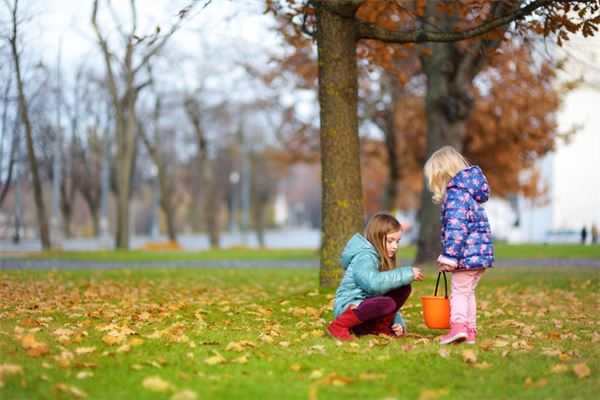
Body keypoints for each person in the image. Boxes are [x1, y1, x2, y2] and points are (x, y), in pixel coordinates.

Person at [424, 146, 494, 345]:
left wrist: (449, 257)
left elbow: (456, 230)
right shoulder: (468, 193)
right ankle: (469, 331)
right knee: (467, 292)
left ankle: (457, 327)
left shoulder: (455, 195)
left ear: (441, 175)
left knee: (459, 292)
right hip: (480, 255)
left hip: (467, 254)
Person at [328, 212, 423, 341]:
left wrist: (399, 323)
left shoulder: (381, 259)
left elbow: (382, 301)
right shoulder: (364, 257)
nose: (395, 246)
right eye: (390, 241)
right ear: (377, 237)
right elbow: (373, 285)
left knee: (403, 289)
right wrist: (406, 273)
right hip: (349, 308)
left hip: (367, 308)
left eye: (397, 241)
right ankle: (339, 325)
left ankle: (380, 327)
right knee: (386, 302)